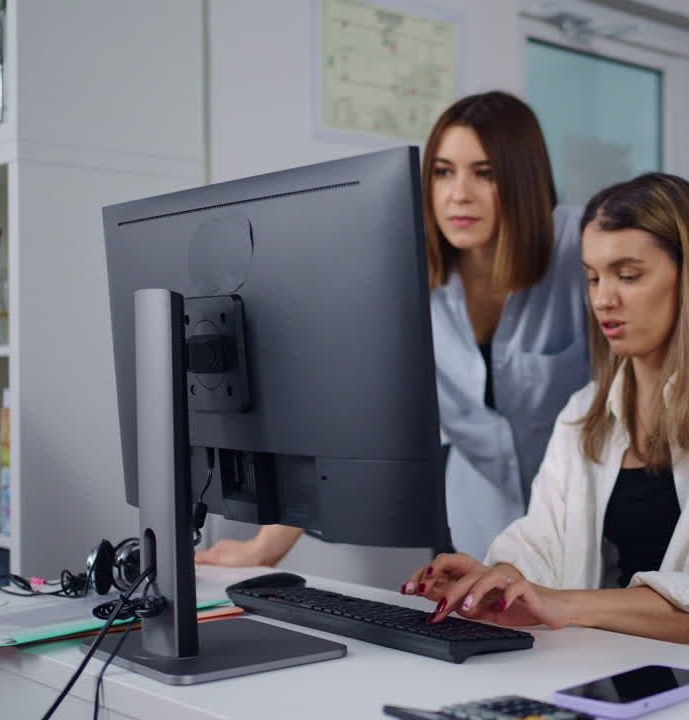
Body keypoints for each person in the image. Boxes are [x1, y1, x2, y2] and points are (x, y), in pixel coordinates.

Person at [399, 173, 689, 672]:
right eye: (593, 277)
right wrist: (499, 580)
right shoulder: (584, 411)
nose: (602, 299)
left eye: (628, 275)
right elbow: (542, 544)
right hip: (620, 677)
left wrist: (565, 603)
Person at [196, 91, 590, 566]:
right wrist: (264, 548)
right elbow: (350, 410)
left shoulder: (582, 249)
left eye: (484, 173)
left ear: (524, 180)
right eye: (443, 172)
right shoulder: (405, 270)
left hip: (589, 524)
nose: (458, 194)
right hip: (476, 531)